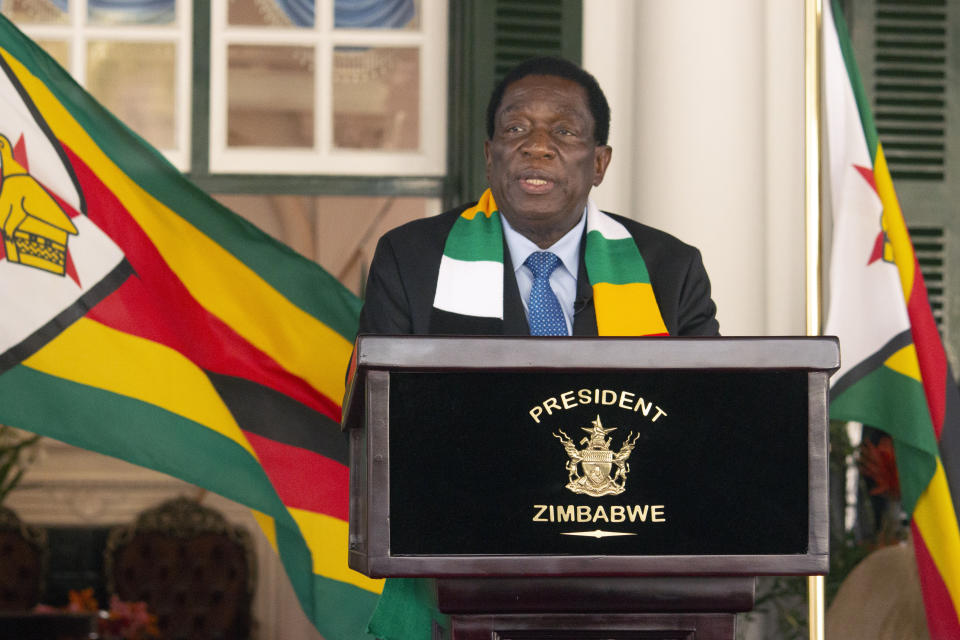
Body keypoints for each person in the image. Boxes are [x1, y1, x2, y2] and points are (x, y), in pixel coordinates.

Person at [359, 56, 718, 337]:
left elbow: (710, 415)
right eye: (516, 128)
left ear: (598, 163)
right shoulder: (409, 261)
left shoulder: (671, 271)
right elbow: (378, 414)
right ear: (489, 156)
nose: (537, 146)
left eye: (564, 131)